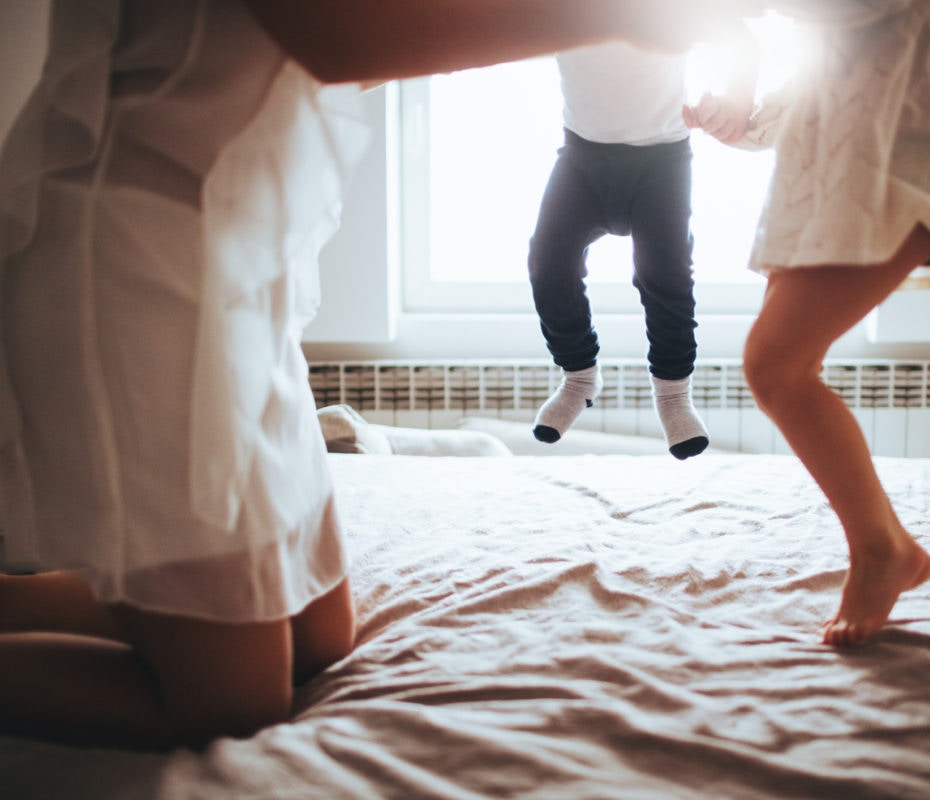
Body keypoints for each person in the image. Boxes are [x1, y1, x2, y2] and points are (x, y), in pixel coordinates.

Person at [0, 0, 755, 749]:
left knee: (322, 635)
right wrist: (623, 18)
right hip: (145, 270)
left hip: (232, 270)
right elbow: (335, 34)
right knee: (234, 702)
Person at [684, 0, 930, 645]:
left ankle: (881, 550)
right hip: (827, 178)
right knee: (783, 368)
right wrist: (743, 119)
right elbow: (823, 77)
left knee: (775, 366)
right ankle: (891, 547)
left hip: (898, 166)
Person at [527, 34, 756, 460]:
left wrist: (736, 98)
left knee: (664, 274)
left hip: (662, 161)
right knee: (547, 265)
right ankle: (579, 378)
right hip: (582, 158)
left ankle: (673, 395)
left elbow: (738, 37)